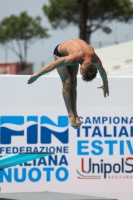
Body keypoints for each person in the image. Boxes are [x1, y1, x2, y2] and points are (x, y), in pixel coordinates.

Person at [28, 38, 109, 129]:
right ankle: (70, 114)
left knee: (74, 82)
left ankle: (76, 114)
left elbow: (102, 71)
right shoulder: (73, 58)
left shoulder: (94, 59)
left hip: (76, 53)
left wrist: (106, 85)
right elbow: (52, 66)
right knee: (67, 82)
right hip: (60, 53)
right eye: (81, 73)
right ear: (81, 69)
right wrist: (37, 75)